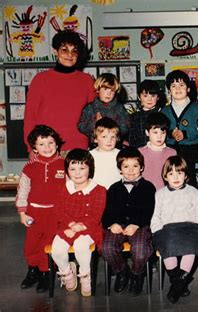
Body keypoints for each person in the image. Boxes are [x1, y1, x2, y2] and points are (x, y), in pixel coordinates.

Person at [24, 30, 96, 151]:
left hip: (78, 149)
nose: (70, 55)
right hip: (47, 149)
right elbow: (30, 118)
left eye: (74, 51)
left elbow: (95, 115)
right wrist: (31, 148)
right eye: (64, 50)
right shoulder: (40, 80)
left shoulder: (87, 80)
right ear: (55, 51)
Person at [150, 156, 198, 303]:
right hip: (168, 229)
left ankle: (177, 284)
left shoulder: (194, 192)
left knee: (190, 247)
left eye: (180, 173)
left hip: (190, 228)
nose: (176, 177)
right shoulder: (160, 194)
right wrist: (157, 230)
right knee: (167, 246)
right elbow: (156, 215)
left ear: (186, 175)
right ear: (165, 176)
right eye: (171, 174)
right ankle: (179, 283)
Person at [51, 149, 107, 297]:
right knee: (56, 249)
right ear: (67, 171)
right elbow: (58, 210)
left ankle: (85, 275)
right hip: (67, 227)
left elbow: (96, 215)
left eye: (82, 168)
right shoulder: (64, 188)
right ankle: (67, 273)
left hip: (89, 228)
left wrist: (78, 227)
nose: (77, 173)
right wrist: (71, 225)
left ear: (90, 169)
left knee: (81, 246)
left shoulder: (99, 190)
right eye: (72, 169)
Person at [16, 125, 66, 293]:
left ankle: (45, 273)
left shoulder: (64, 165)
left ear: (57, 144)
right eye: (42, 144)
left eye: (51, 143)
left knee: (48, 243)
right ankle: (32, 270)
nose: (47, 147)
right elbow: (22, 191)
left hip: (55, 213)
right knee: (32, 243)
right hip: (34, 212)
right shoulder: (29, 168)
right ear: (35, 148)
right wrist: (22, 213)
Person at [101, 147, 156, 296]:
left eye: (135, 166)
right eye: (126, 166)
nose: (131, 171)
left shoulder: (148, 187)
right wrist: (112, 224)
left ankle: (137, 274)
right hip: (117, 226)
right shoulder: (113, 188)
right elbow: (107, 211)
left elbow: (150, 210)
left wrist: (137, 224)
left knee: (139, 250)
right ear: (120, 169)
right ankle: (121, 271)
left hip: (139, 226)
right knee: (106, 247)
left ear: (142, 167)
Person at [78, 73, 129, 143]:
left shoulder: (119, 108)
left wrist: (112, 126)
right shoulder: (90, 107)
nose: (109, 93)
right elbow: (81, 127)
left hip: (114, 144)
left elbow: (125, 127)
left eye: (112, 90)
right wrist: (95, 124)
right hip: (95, 145)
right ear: (98, 90)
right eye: (105, 89)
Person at [161, 70, 198, 151]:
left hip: (192, 148)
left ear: (188, 89)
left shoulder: (196, 108)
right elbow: (162, 128)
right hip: (170, 148)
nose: (178, 88)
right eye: (173, 86)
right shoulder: (164, 110)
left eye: (181, 85)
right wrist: (171, 133)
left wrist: (184, 134)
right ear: (169, 91)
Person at [139, 112, 177, 190]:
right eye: (155, 132)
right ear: (147, 132)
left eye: (163, 133)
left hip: (166, 194)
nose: (159, 136)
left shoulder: (172, 153)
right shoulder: (140, 152)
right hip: (146, 193)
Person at [128, 79, 166, 148]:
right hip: (140, 152)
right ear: (139, 97)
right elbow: (132, 141)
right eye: (145, 96)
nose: (149, 99)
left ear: (158, 97)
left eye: (153, 96)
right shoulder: (135, 117)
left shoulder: (163, 113)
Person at [89, 117, 122, 189]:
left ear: (117, 138)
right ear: (95, 139)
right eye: (104, 137)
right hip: (96, 192)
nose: (109, 140)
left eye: (113, 137)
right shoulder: (89, 155)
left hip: (116, 192)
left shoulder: (121, 154)